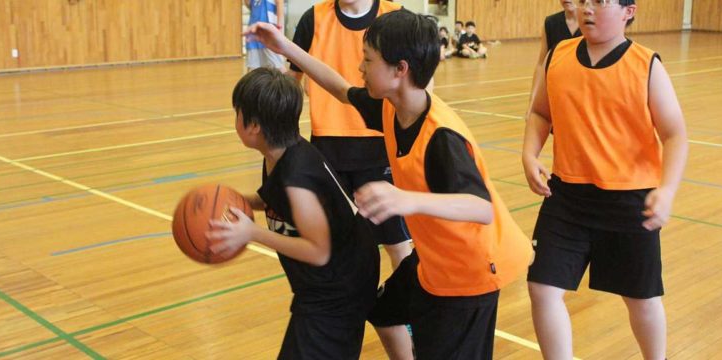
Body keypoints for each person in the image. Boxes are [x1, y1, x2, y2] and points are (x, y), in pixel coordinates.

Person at [246, 10, 534, 359]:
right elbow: (339, 88)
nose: (360, 68)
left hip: (470, 274)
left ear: (400, 70)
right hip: (431, 260)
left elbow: (481, 207)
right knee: (382, 310)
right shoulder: (390, 105)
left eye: (368, 60)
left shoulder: (442, 137)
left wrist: (405, 200)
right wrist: (285, 46)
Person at [522, 1, 688, 359]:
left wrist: (667, 191)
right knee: (542, 288)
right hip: (567, 195)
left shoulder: (646, 66)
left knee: (642, 300)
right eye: (584, 1)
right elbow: (539, 112)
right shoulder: (558, 56)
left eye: (600, 2)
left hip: (630, 201)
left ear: (629, 11)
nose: (588, 10)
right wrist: (529, 153)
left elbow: (674, 134)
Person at [208, 68, 380, 359]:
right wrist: (246, 202)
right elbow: (277, 198)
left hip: (339, 286)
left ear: (253, 127)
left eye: (237, 112)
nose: (235, 118)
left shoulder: (297, 177)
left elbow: (317, 251)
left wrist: (252, 233)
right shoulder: (282, 151)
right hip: (331, 279)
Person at [287, 0, 412, 274]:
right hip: (328, 149)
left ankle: (404, 312)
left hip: (382, 146)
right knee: (340, 244)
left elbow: (418, 85)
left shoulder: (394, 16)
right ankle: (349, 310)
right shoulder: (314, 18)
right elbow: (291, 81)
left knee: (397, 242)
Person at [527, 0, 582, 117]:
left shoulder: (592, 23)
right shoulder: (551, 23)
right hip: (557, 92)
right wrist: (532, 100)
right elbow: (541, 64)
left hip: (582, 94)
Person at [244, 0, 285, 71]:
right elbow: (249, 5)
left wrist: (279, 33)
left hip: (269, 34)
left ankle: (285, 82)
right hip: (254, 35)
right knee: (253, 68)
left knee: (277, 66)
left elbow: (280, 10)